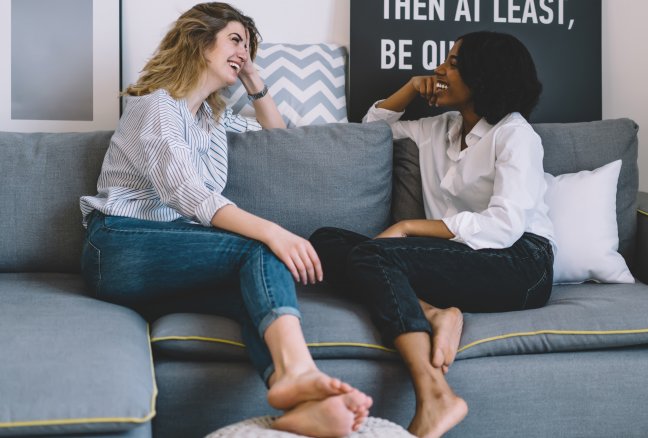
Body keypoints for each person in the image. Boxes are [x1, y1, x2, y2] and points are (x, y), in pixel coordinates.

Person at [79, 3, 371, 436]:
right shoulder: (155, 105)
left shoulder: (212, 120)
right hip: (118, 245)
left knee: (255, 294)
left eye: (249, 47)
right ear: (200, 42)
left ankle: (299, 400)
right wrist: (274, 232)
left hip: (169, 258)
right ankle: (301, 376)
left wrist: (254, 82)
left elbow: (279, 139)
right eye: (235, 40)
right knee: (259, 249)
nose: (244, 52)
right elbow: (185, 192)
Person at [310, 31, 555, 438]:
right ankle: (434, 313)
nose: (438, 71)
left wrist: (407, 227)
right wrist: (408, 89)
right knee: (324, 240)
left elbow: (505, 225)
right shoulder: (438, 128)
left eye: (453, 64)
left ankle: (435, 396)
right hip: (458, 258)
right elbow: (370, 133)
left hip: (522, 264)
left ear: (484, 77)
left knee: (374, 254)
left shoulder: (515, 134)